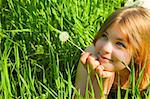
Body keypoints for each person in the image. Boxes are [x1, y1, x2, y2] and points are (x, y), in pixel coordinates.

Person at [75, 6, 150, 99]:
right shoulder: (91, 55)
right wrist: (98, 79)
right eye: (104, 36)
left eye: (120, 44)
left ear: (138, 54)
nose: (105, 48)